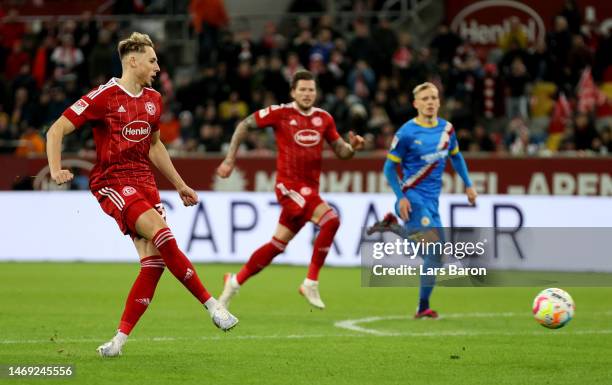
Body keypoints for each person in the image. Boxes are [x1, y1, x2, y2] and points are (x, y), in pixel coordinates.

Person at [45, 32, 238, 358]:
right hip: (114, 182)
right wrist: (55, 169)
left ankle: (117, 342)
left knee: (154, 263)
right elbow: (56, 129)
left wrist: (179, 184)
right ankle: (213, 306)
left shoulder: (154, 99)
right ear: (132, 61)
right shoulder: (102, 97)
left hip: (145, 182)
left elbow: (155, 145)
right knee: (162, 233)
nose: (157, 66)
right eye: (152, 60)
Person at [216, 70, 364, 309]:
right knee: (331, 220)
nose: (307, 94)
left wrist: (353, 147)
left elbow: (342, 152)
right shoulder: (280, 113)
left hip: (309, 191)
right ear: (293, 92)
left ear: (316, 92)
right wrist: (230, 159)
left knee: (277, 245)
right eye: (302, 89)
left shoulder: (324, 119)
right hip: (289, 187)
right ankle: (311, 282)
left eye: (311, 90)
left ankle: (234, 281)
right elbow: (244, 125)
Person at [370, 82, 477, 318]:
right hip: (413, 198)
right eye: (425, 98)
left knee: (436, 255)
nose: (430, 102)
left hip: (432, 202)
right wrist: (401, 198)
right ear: (415, 104)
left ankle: (422, 306)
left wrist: (468, 185)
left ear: (439, 102)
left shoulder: (447, 130)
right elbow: (389, 168)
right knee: (435, 250)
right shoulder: (407, 133)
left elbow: (456, 158)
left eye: (433, 98)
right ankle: (422, 308)